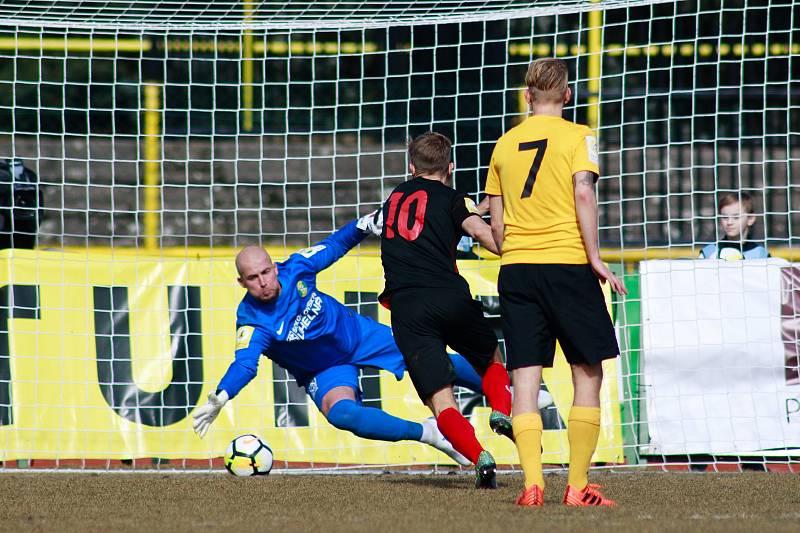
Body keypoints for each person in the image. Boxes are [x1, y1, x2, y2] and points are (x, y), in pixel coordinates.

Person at [192, 212, 489, 466]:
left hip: (358, 335)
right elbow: (245, 364)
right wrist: (222, 395)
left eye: (266, 272)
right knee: (342, 414)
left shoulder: (296, 268)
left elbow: (334, 245)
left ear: (275, 266)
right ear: (241, 283)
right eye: (253, 278)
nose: (263, 282)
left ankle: (506, 388)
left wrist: (362, 225)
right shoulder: (252, 320)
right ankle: (429, 433)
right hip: (323, 369)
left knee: (430, 360)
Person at [485, 58, 627, 507]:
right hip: (567, 264)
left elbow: (498, 223)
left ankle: (532, 485)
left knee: (525, 379)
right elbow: (584, 191)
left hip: (518, 270)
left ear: (527, 96)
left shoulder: (504, 145)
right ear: (567, 95)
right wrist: (595, 258)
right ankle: (577, 484)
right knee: (587, 371)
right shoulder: (579, 135)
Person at [379, 131, 514, 489]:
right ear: (450, 167)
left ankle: (480, 457)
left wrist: (468, 208)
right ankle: (500, 408)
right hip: (448, 295)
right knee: (492, 359)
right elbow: (487, 238)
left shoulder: (392, 198)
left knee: (442, 403)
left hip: (407, 306)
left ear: (411, 167)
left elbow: (422, 216)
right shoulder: (455, 198)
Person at [699, 192, 769, 260]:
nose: (729, 222)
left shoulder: (761, 255)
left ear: (750, 219)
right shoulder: (708, 253)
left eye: (736, 217)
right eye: (725, 217)